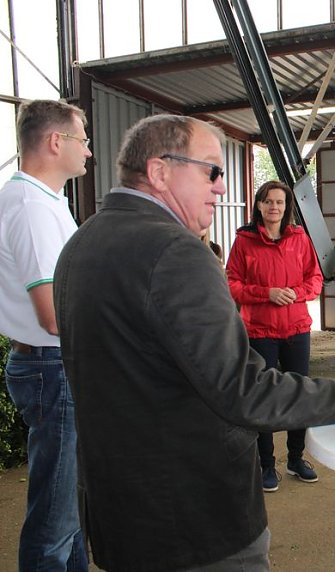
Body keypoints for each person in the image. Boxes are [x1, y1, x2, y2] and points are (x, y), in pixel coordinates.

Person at [53, 114, 335, 571]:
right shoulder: (176, 252)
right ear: (160, 171)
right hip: (194, 522)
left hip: (121, 514)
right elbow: (243, 390)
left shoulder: (81, 243)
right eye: (211, 169)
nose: (222, 187)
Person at [0, 99, 91, 571]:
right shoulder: (31, 206)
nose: (88, 151)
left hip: (55, 365)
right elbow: (54, 315)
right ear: (56, 142)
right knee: (54, 521)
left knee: (70, 510)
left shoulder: (46, 201)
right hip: (51, 366)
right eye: (83, 139)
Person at [226, 181, 324, 490]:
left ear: (287, 207)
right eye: (268, 201)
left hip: (296, 329)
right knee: (263, 397)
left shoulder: (299, 239)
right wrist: (266, 293)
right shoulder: (244, 241)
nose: (274, 207)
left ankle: (296, 458)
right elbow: (232, 283)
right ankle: (266, 464)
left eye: (279, 202)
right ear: (258, 205)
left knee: (299, 394)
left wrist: (294, 294)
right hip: (260, 332)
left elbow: (316, 279)